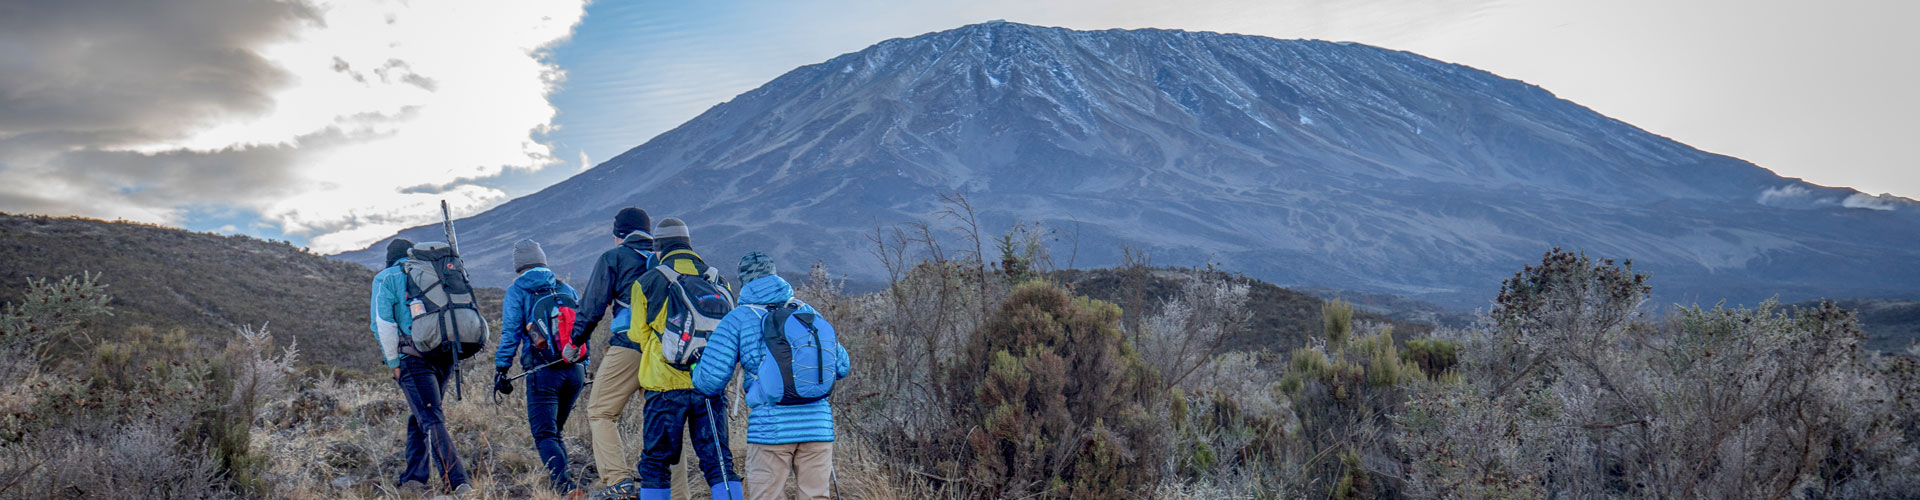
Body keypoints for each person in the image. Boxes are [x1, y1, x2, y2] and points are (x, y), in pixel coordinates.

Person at [692, 252, 850, 500]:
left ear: (743, 282)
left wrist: (695, 369)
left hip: (771, 429)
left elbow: (711, 381)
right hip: (818, 427)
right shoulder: (806, 312)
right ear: (775, 275)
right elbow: (841, 366)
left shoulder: (738, 318)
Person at [625, 217, 742, 500]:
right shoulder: (717, 280)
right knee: (718, 462)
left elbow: (638, 335)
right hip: (708, 385)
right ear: (690, 245)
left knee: (655, 463)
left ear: (658, 249)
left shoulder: (648, 281)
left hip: (664, 387)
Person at [370, 238, 473, 497]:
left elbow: (382, 323)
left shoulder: (387, 277)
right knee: (421, 415)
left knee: (430, 418)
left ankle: (458, 482)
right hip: (444, 355)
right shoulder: (431, 272)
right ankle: (414, 477)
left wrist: (393, 362)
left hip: (413, 358)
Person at [565, 207, 657, 497]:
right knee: (661, 417)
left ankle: (618, 483)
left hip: (629, 346)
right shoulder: (665, 260)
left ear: (619, 234)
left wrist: (575, 342)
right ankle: (671, 489)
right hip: (665, 350)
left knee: (601, 411)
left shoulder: (614, 257)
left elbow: (592, 306)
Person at [493, 239, 588, 500]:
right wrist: (584, 366)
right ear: (543, 261)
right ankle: (565, 482)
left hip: (542, 372)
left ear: (518, 267)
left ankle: (565, 489)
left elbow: (511, 333)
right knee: (554, 432)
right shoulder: (565, 287)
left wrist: (501, 368)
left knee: (545, 434)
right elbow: (583, 330)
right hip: (574, 370)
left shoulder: (517, 291)